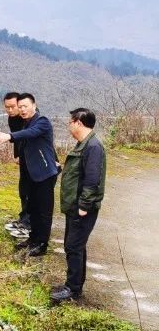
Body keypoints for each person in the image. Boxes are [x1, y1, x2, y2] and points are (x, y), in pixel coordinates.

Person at [0, 93, 58, 256]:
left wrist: (9, 136)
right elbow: (23, 139)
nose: (22, 110)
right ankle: (33, 239)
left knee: (43, 211)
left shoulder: (42, 122)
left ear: (34, 106)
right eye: (19, 107)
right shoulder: (25, 123)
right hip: (31, 173)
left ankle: (41, 244)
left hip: (44, 173)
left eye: (25, 106)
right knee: (32, 208)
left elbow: (30, 134)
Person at [51, 108, 106, 304]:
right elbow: (79, 173)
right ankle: (74, 285)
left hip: (81, 208)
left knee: (73, 246)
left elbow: (92, 179)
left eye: (70, 122)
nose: (69, 125)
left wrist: (84, 205)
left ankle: (72, 289)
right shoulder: (84, 144)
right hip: (74, 205)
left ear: (79, 123)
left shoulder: (93, 147)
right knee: (76, 246)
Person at [1, 91, 31, 238]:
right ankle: (23, 220)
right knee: (23, 191)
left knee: (33, 194)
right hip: (24, 159)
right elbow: (15, 138)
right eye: (7, 107)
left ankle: (29, 224)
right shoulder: (12, 119)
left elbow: (28, 135)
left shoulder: (30, 117)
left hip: (37, 162)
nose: (10, 110)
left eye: (13, 106)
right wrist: (17, 155)